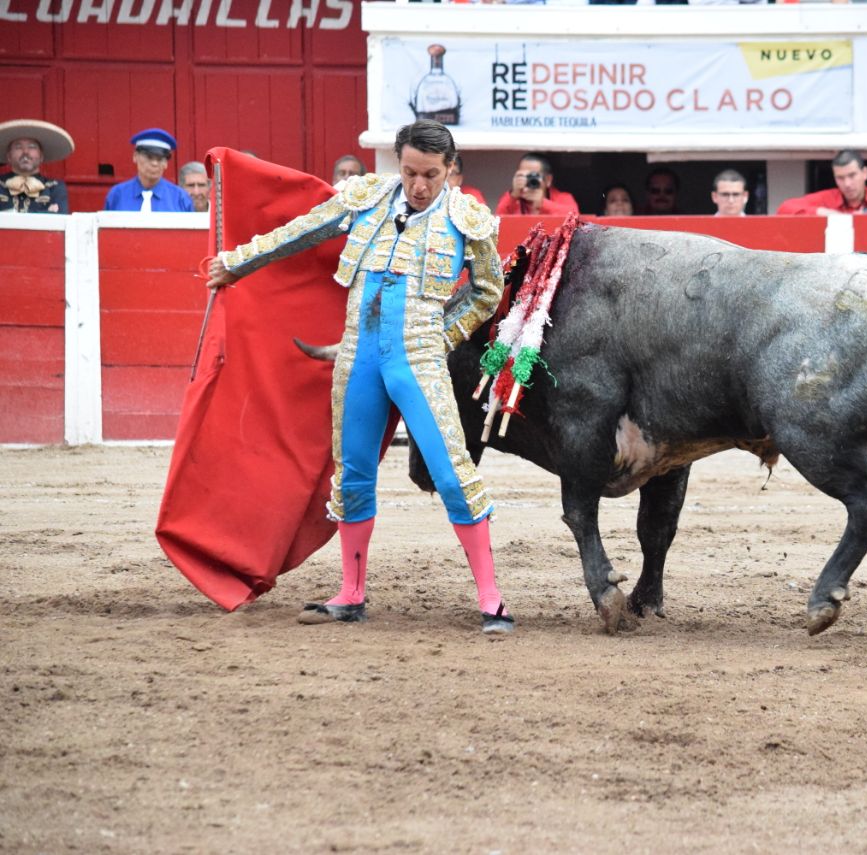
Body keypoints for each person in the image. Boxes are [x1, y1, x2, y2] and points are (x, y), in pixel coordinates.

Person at [205, 120, 514, 634]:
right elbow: (300, 231)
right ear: (398, 163)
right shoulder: (368, 197)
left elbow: (487, 291)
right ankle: (351, 593)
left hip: (417, 355)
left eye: (431, 175)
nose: (419, 185)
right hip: (358, 354)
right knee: (351, 474)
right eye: (411, 172)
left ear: (450, 171)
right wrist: (238, 263)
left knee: (453, 473)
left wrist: (443, 336)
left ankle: (492, 599)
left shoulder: (469, 218)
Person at [776, 150, 867, 215]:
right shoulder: (827, 198)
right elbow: (784, 208)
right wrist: (821, 212)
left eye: (852, 175)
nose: (847, 184)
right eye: (840, 178)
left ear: (865, 173)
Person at [103, 128, 194, 212]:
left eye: (160, 159)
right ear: (135, 156)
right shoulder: (118, 195)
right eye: (149, 157)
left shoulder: (180, 198)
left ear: (166, 163)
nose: (154, 163)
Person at [0, 118, 73, 214]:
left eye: (32, 147)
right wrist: (46, 212)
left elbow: (59, 220)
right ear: (9, 156)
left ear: (41, 156)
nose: (25, 152)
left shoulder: (54, 188)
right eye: (18, 147)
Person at [494, 152, 578, 216]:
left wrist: (542, 204)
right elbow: (498, 220)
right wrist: (513, 196)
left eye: (534, 176)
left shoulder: (564, 198)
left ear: (548, 180)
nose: (528, 180)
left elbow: (574, 217)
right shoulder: (511, 199)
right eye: (523, 176)